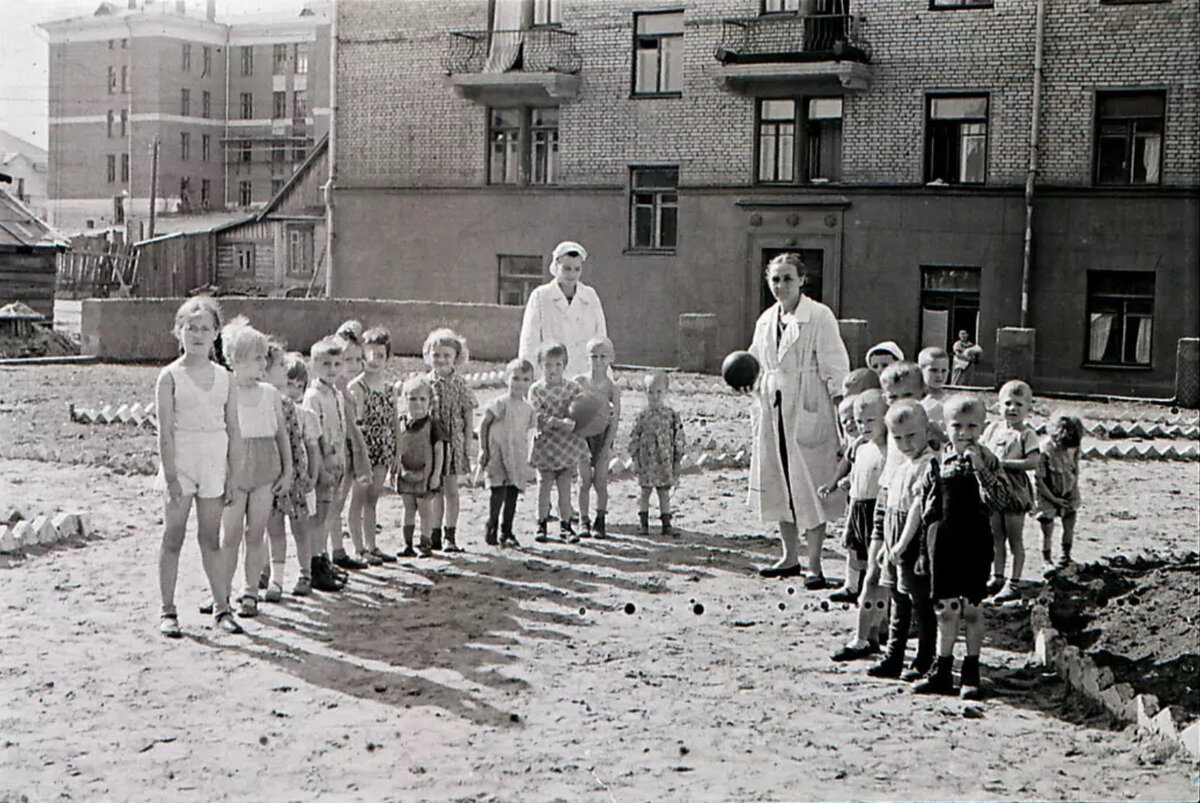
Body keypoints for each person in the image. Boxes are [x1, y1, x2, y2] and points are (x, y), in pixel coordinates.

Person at [745, 252, 850, 587]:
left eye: (788, 278)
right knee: (779, 481)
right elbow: (754, 361)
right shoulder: (765, 320)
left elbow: (835, 368)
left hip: (808, 405)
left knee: (810, 483)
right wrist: (745, 378)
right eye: (775, 279)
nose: (781, 285)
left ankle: (815, 565)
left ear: (803, 280)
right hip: (772, 408)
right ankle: (789, 557)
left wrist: (842, 415)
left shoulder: (819, 316)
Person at [155, 297, 244, 637]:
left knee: (211, 539)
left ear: (215, 334)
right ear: (178, 331)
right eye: (190, 327)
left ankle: (222, 608)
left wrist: (234, 476)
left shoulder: (225, 378)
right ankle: (168, 611)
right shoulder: (170, 377)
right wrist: (171, 476)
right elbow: (165, 433)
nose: (197, 334)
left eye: (204, 328)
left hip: (214, 464)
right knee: (173, 537)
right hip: (181, 463)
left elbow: (234, 430)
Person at [912, 394, 999, 698]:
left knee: (972, 609)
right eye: (957, 426)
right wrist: (923, 550)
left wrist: (979, 470)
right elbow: (928, 508)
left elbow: (1001, 501)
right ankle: (942, 670)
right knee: (945, 609)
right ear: (944, 427)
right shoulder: (937, 461)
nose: (964, 433)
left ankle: (972, 672)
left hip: (975, 540)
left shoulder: (987, 459)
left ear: (983, 427)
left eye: (972, 426)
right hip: (943, 540)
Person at [218, 317, 293, 620]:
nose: (264, 363)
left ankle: (250, 590)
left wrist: (287, 472)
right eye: (257, 357)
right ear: (235, 360)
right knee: (230, 535)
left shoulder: (270, 394)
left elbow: (281, 435)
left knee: (256, 533)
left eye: (265, 357)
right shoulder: (224, 391)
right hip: (234, 470)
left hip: (265, 469)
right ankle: (220, 592)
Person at [867, 401, 936, 681]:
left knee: (920, 602)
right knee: (897, 601)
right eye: (898, 438)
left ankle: (924, 659)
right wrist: (886, 545)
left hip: (914, 542)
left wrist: (901, 544)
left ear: (926, 430)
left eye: (911, 436)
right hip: (895, 539)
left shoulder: (929, 464)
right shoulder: (901, 465)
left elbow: (918, 508)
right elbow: (891, 509)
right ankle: (893, 657)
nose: (905, 443)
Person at [825, 391, 888, 632]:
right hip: (857, 506)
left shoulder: (889, 448)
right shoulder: (860, 446)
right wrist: (841, 482)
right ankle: (854, 589)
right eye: (859, 421)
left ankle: (881, 620)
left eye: (870, 421)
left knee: (879, 569)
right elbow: (855, 471)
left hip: (877, 508)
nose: (863, 427)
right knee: (854, 550)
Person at [262, 342, 314, 601]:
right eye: (280, 365)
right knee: (273, 530)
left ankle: (305, 572)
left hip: (291, 477)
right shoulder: (255, 401)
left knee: (299, 527)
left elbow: (296, 444)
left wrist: (296, 475)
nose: (285, 370)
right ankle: (275, 579)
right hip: (266, 477)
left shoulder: (286, 405)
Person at [981, 379, 1040, 602]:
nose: (1012, 409)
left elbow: (1033, 461)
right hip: (994, 486)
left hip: (1014, 488)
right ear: (998, 406)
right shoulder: (993, 429)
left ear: (1028, 408)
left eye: (1018, 404)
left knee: (1014, 537)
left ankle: (1013, 581)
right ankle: (997, 576)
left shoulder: (1026, 434)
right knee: (996, 535)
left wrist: (1003, 464)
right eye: (1007, 404)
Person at [518, 240, 608, 379]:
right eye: (567, 268)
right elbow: (530, 340)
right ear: (556, 266)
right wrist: (528, 375)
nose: (572, 274)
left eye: (577, 269)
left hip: (584, 374)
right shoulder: (541, 296)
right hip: (551, 375)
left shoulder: (590, 296)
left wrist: (602, 372)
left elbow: (600, 337)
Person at [347, 327, 398, 564]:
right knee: (358, 498)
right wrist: (359, 454)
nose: (374, 360)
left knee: (373, 498)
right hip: (362, 449)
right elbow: (354, 424)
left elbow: (395, 421)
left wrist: (396, 452)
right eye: (369, 355)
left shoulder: (389, 389)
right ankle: (358, 549)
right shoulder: (356, 388)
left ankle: (372, 545)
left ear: (387, 358)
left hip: (383, 447)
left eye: (380, 355)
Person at [424, 328, 476, 553]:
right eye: (436, 355)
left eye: (446, 355)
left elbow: (468, 414)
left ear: (456, 357)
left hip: (453, 441)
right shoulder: (425, 382)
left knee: (451, 489)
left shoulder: (461, 383)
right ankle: (433, 533)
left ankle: (450, 534)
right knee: (433, 490)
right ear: (429, 356)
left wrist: (466, 445)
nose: (441, 360)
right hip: (432, 441)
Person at [529, 341, 587, 543]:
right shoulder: (536, 390)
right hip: (546, 445)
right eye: (547, 365)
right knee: (544, 486)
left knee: (565, 487)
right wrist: (556, 422)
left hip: (567, 445)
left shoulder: (573, 388)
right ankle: (542, 523)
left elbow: (579, 411)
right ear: (540, 365)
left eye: (557, 365)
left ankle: (566, 525)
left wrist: (571, 421)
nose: (552, 370)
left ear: (565, 365)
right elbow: (537, 416)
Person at [477, 358, 537, 547]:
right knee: (498, 491)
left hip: (516, 455)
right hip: (498, 453)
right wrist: (483, 449)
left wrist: (531, 454)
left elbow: (531, 432)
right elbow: (484, 424)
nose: (520, 384)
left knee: (513, 492)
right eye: (516, 379)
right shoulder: (501, 403)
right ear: (506, 379)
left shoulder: (529, 408)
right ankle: (492, 524)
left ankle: (507, 530)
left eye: (526, 380)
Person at [330, 326, 371, 570]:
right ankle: (333, 551)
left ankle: (337, 550)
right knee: (333, 504)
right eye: (347, 359)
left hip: (349, 449)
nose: (354, 364)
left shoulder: (351, 388)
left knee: (340, 501)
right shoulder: (334, 389)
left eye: (358, 359)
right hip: (336, 450)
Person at [393, 375, 446, 557]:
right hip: (405, 473)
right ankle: (407, 543)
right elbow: (396, 448)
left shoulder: (433, 425)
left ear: (430, 401)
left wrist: (436, 475)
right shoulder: (400, 423)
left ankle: (425, 543)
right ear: (404, 400)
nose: (418, 404)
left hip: (426, 475)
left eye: (423, 399)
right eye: (412, 399)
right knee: (408, 508)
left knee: (424, 509)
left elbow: (439, 451)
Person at [629, 372, 687, 536]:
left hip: (664, 460)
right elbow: (634, 437)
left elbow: (679, 439)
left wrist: (677, 460)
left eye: (659, 392)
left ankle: (666, 523)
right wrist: (635, 459)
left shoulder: (671, 416)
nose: (654, 396)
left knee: (664, 492)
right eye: (650, 392)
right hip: (647, 461)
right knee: (645, 492)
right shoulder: (642, 416)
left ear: (666, 392)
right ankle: (643, 523)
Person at [574, 337, 621, 538]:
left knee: (601, 481)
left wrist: (607, 445)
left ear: (611, 358)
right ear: (587, 358)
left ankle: (600, 519)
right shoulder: (580, 382)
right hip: (582, 438)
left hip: (602, 437)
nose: (598, 361)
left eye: (603, 356)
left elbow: (615, 419)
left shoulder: (613, 388)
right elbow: (572, 412)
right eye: (594, 356)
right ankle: (583, 520)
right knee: (584, 481)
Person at [1036, 411, 1084, 574]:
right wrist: (1054, 499)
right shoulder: (1044, 450)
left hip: (1068, 488)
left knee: (1070, 520)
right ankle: (1046, 559)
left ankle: (1065, 556)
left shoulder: (1074, 447)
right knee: (1047, 525)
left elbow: (1075, 467)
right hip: (1047, 492)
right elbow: (1039, 480)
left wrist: (1072, 489)